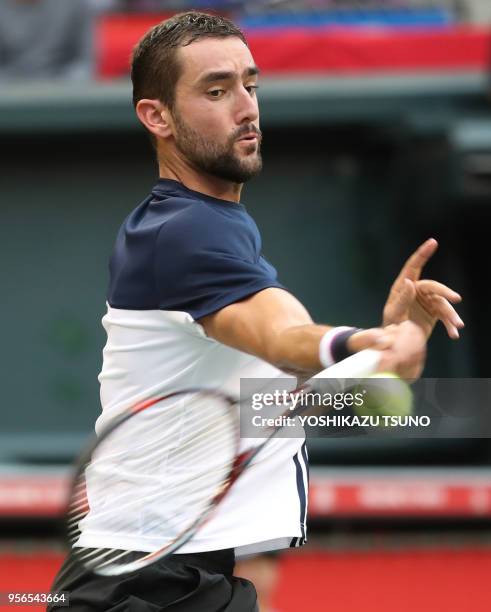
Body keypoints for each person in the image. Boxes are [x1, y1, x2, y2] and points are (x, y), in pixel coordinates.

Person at [48, 11, 464, 611]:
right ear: (156, 116)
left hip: (177, 578)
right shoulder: (185, 232)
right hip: (144, 586)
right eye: (216, 90)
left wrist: (385, 351)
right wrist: (354, 343)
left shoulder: (208, 228)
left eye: (251, 84)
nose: (246, 107)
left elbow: (265, 402)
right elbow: (279, 332)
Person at [0, 0, 94, 81]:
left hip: (62, 92)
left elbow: (86, 63)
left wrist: (63, 86)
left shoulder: (74, 6)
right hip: (6, 92)